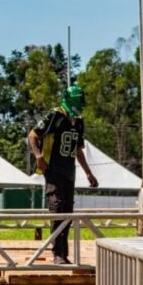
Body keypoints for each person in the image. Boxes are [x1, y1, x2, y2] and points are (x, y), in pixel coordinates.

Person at [28, 83, 98, 265]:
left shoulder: (78, 122)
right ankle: (57, 253)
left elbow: (79, 150)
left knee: (68, 212)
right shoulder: (56, 116)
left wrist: (88, 173)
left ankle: (63, 254)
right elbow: (33, 135)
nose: (80, 106)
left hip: (69, 172)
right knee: (57, 208)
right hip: (53, 170)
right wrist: (38, 156)